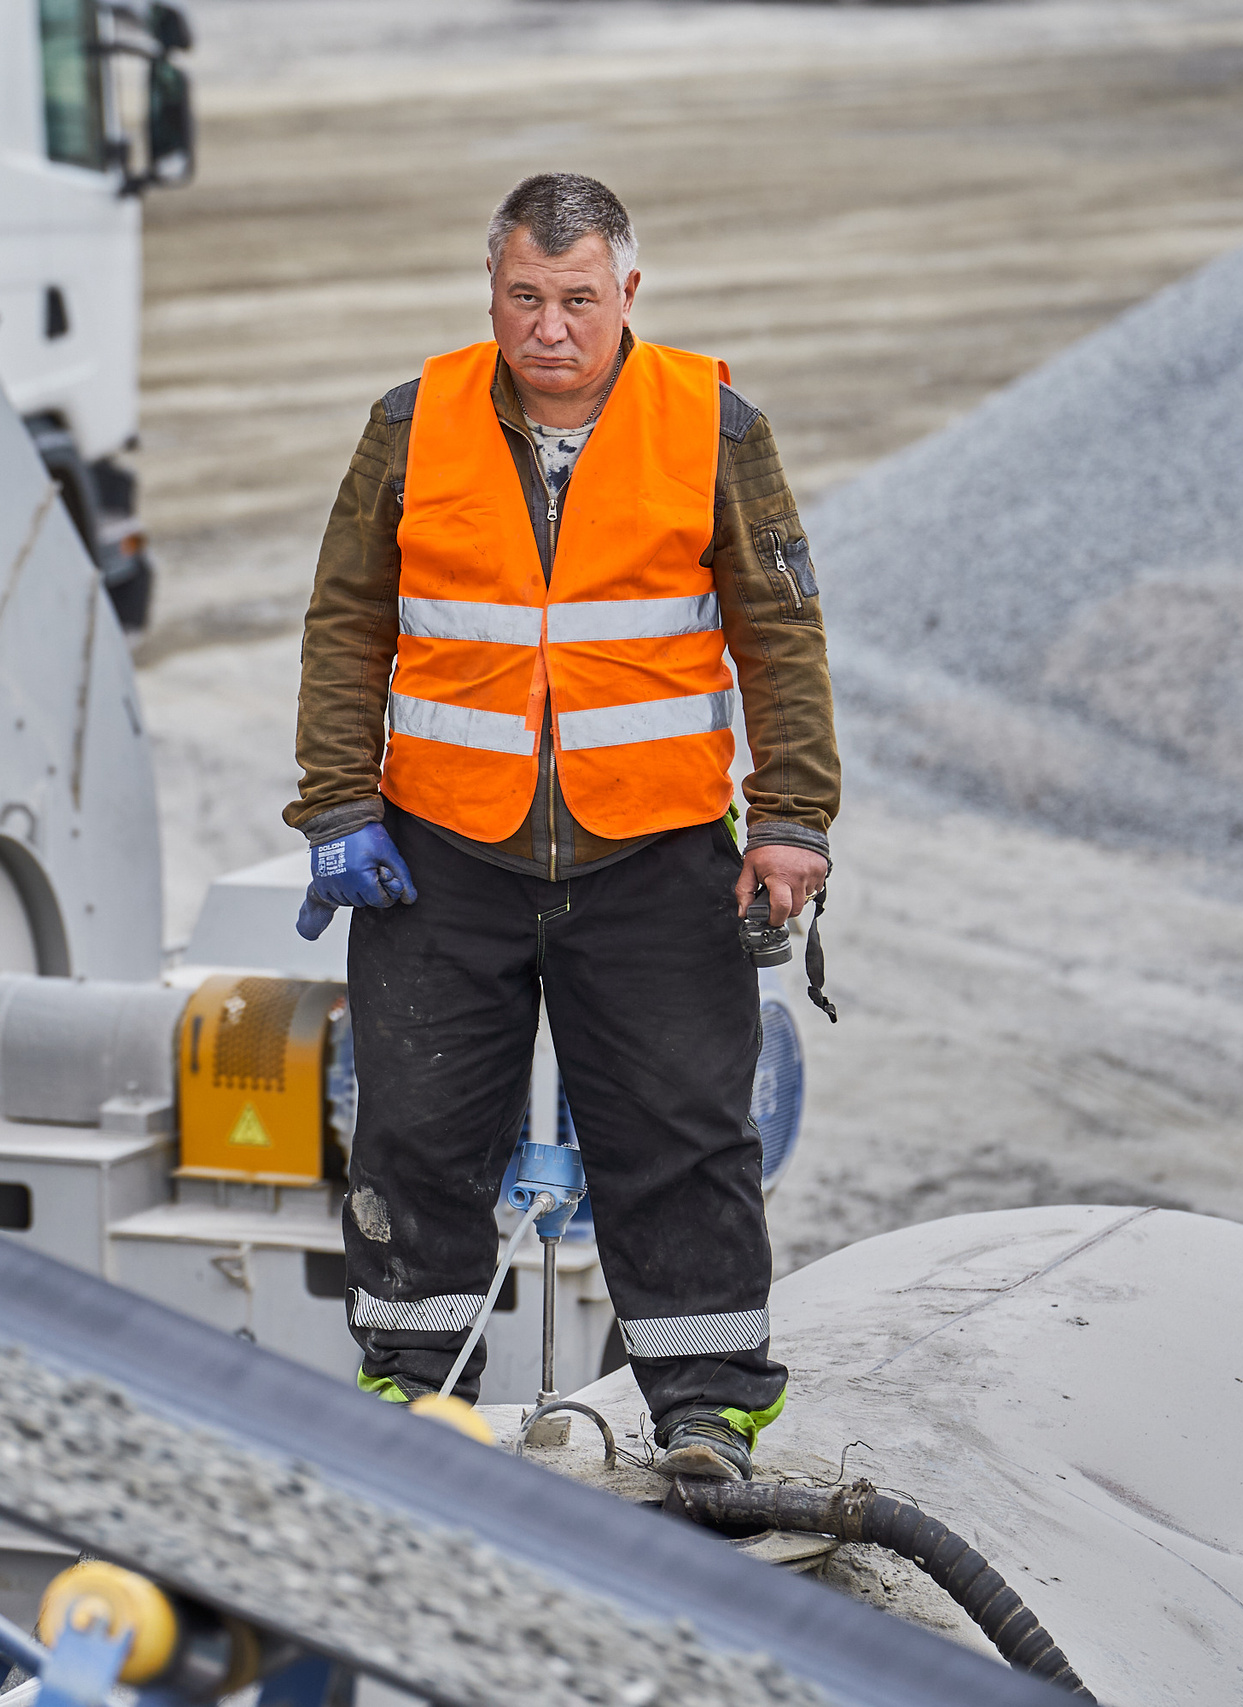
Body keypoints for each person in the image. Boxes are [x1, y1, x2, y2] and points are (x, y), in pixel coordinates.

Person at [286, 173, 839, 1480]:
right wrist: (336, 803)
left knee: (681, 1129)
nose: (550, 326)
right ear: (492, 295)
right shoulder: (411, 423)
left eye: (577, 298)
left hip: (651, 856)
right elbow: (348, 620)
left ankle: (708, 1412)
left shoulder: (710, 421)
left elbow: (782, 630)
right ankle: (412, 1390)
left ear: (626, 294)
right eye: (525, 298)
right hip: (441, 859)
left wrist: (793, 818)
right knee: (415, 1130)